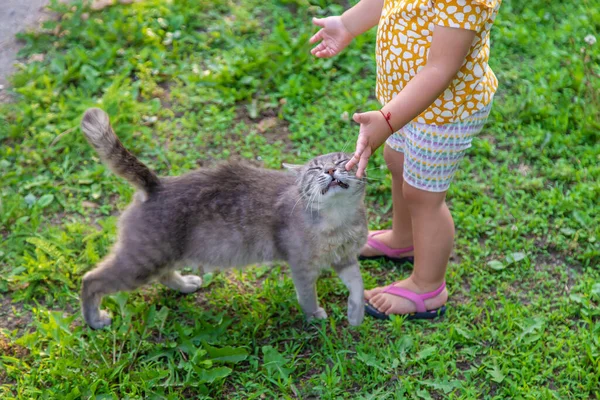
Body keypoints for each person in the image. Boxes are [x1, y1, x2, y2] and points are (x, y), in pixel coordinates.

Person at [310, 0, 501, 320]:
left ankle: (428, 287)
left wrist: (386, 120)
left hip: (443, 112)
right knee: (396, 162)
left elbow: (441, 68)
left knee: (424, 196)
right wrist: (347, 24)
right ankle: (403, 238)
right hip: (403, 103)